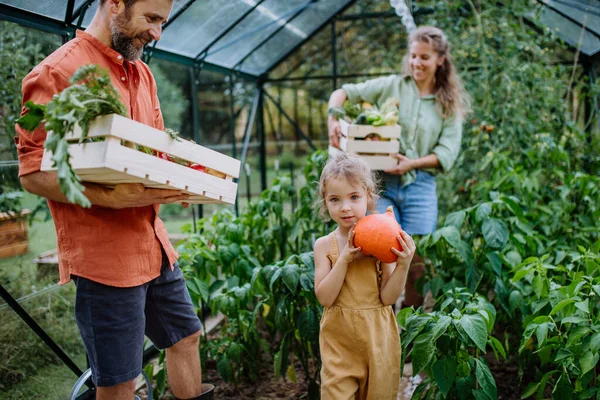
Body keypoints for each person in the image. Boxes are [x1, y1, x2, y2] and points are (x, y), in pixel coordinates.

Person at [15, 1, 208, 399]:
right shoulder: (54, 73)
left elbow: (155, 150)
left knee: (187, 337)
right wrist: (110, 196)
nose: (157, 33)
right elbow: (33, 173)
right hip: (105, 260)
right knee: (120, 380)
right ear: (115, 3)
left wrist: (181, 176)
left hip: (153, 246)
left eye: (162, 23)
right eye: (151, 19)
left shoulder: (142, 73)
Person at [327, 26, 471, 309]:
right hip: (380, 184)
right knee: (377, 252)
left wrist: (412, 163)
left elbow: (447, 153)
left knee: (416, 258)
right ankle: (383, 318)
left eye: (425, 57)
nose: (417, 63)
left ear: (440, 59)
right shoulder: (392, 85)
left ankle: (411, 322)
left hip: (420, 184)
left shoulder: (448, 102)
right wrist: (334, 118)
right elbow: (342, 92)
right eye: (414, 56)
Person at [313, 152, 416, 399]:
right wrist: (345, 259)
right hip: (340, 344)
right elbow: (325, 298)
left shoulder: (381, 241)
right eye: (335, 199)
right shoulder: (324, 246)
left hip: (378, 340)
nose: (345, 207)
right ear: (325, 202)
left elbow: (388, 297)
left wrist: (403, 264)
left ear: (369, 198)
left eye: (354, 197)